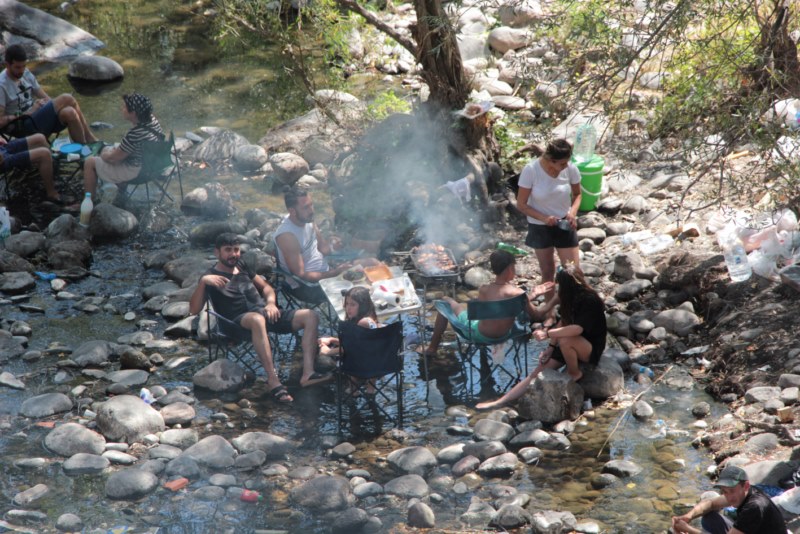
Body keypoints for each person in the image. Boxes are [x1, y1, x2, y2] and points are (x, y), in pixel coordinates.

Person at [189, 233, 332, 404]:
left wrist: (271, 303)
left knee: (310, 316)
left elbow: (266, 288)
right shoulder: (210, 276)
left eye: (236, 250)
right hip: (235, 323)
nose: (234, 254)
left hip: (264, 314)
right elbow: (194, 309)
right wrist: (203, 283)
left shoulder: (242, 265)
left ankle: (308, 373)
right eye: (228, 250)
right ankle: (273, 380)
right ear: (217, 252)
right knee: (257, 319)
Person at [475, 264, 606, 410]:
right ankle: (501, 401)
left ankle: (574, 373)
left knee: (566, 339)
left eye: (560, 285)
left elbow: (576, 329)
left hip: (590, 347)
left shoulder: (590, 300)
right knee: (536, 373)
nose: (558, 289)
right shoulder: (567, 296)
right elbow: (563, 322)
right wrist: (550, 347)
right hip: (568, 344)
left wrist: (547, 334)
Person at [422, 249, 554, 356]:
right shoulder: (518, 294)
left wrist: (531, 296)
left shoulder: (484, 289)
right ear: (509, 269)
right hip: (505, 335)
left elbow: (496, 303)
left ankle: (432, 348)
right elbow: (536, 315)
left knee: (445, 301)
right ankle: (485, 361)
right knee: (473, 311)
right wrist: (549, 299)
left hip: (478, 335)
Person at [517, 138, 582, 325]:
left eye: (567, 162)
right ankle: (550, 313)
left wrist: (572, 213)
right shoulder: (531, 171)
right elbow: (521, 205)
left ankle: (570, 312)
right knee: (547, 271)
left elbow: (577, 195)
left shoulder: (570, 169)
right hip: (539, 225)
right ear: (550, 159)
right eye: (561, 163)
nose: (565, 166)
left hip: (564, 223)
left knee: (573, 272)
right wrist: (544, 218)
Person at [274, 187, 376, 304]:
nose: (311, 210)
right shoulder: (287, 236)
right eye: (306, 207)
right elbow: (302, 275)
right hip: (309, 287)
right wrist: (335, 273)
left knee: (372, 262)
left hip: (327, 272)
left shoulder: (307, 219)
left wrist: (333, 246)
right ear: (292, 211)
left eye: (311, 205)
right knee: (362, 291)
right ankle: (361, 317)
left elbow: (323, 249)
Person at [0, 45, 97, 143]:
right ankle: (90, 138)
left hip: (36, 117)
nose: (21, 70)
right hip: (22, 126)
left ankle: (83, 149)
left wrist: (51, 106)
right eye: (17, 67)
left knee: (69, 112)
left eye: (24, 66)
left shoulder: (25, 72)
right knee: (67, 98)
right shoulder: (2, 85)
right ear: (7, 65)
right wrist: (26, 113)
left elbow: (41, 93)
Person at [80, 93, 163, 200]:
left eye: (124, 107)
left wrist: (103, 155)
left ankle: (88, 202)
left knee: (90, 162)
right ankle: (121, 193)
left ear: (133, 113)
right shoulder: (152, 120)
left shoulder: (135, 134)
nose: (121, 109)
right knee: (108, 148)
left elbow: (112, 159)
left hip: (137, 171)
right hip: (152, 165)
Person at [671, 464, 788, 534]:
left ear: (746, 486)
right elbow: (710, 503)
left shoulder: (754, 506)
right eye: (725, 492)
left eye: (732, 491)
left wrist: (688, 530)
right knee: (709, 517)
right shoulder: (744, 493)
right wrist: (688, 516)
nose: (729, 496)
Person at [318, 286, 383, 396]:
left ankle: (353, 389)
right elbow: (356, 343)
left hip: (363, 367)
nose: (348, 308)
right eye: (347, 304)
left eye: (353, 304)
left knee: (347, 357)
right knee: (364, 351)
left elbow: (348, 349)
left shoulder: (362, 323)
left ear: (362, 306)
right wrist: (331, 339)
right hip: (379, 364)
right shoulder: (370, 319)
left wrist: (326, 351)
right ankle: (370, 389)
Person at [0, 133, 64, 203]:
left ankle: (49, 177)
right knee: (44, 154)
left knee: (40, 138)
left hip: (2, 148)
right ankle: (51, 193)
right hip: (2, 160)